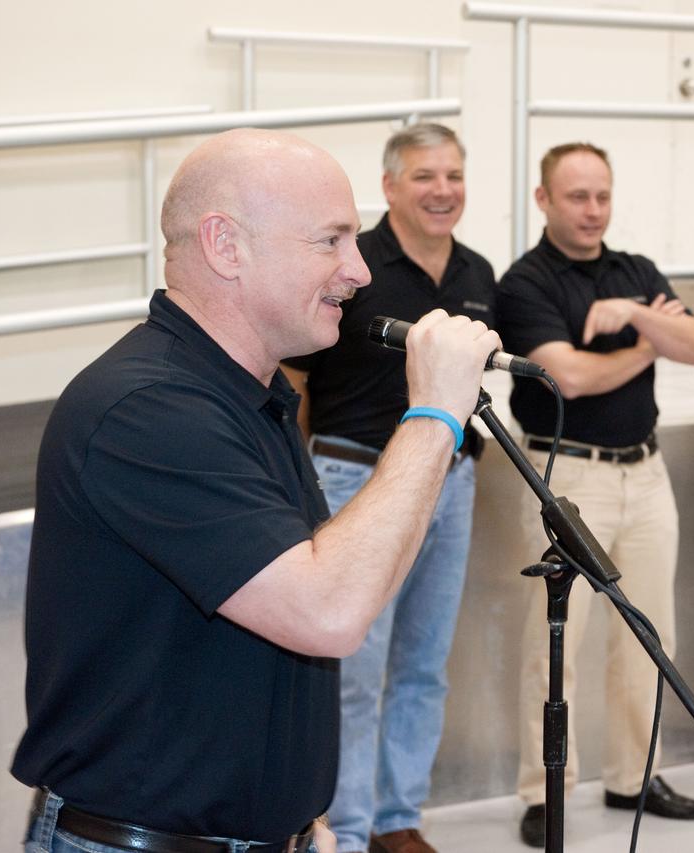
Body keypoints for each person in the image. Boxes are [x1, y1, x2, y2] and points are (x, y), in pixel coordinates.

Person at [12, 128, 499, 853]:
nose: (359, 271)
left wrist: (304, 821)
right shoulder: (148, 410)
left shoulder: (251, 396)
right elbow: (329, 612)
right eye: (330, 240)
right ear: (226, 246)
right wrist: (432, 415)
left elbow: (324, 613)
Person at [281, 124, 494, 853]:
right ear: (390, 186)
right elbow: (297, 381)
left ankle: (398, 819)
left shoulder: (478, 271)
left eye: (454, 175)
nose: (443, 190)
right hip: (354, 479)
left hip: (451, 481)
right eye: (426, 176)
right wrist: (301, 479)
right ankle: (342, 826)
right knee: (353, 669)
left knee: (424, 665)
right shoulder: (354, 266)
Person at [498, 142, 694, 847]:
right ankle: (543, 790)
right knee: (555, 641)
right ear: (544, 200)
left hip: (646, 473)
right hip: (568, 477)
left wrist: (632, 313)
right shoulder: (524, 283)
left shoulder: (634, 271)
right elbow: (570, 377)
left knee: (649, 637)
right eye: (576, 196)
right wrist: (653, 338)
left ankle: (632, 776)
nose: (592, 210)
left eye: (602, 196)